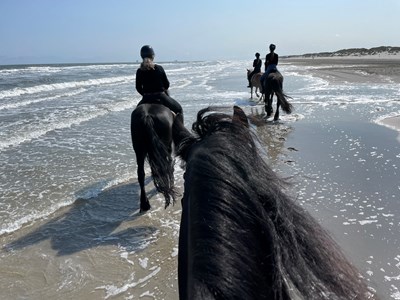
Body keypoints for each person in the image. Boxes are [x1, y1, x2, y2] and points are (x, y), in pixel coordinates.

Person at [135, 45, 184, 121]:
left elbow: (138, 88)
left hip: (146, 98)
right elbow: (166, 84)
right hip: (161, 96)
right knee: (179, 109)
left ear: (142, 56)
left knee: (136, 115)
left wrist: (145, 94)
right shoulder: (159, 68)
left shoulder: (139, 71)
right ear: (153, 56)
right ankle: (180, 132)